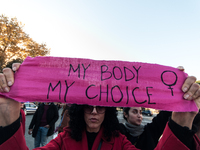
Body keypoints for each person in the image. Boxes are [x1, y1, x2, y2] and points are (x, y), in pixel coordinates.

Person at [0, 63, 200, 150]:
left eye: (101, 107)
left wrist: (181, 122)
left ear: (109, 111)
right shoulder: (63, 140)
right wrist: (8, 117)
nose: (94, 111)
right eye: (88, 107)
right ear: (80, 110)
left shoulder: (120, 142)